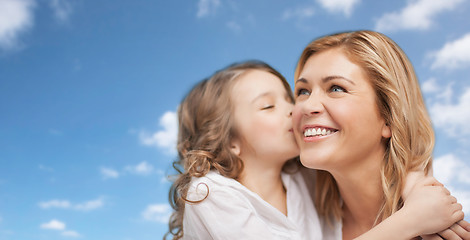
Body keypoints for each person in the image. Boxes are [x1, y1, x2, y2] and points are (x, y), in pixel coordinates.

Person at [165, 60, 465, 240]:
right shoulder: (210, 193)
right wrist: (410, 220)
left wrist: (413, 187)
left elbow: (377, 160)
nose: (296, 110)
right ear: (229, 139)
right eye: (269, 106)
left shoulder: (303, 178)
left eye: (290, 98)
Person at [292, 30, 469, 240]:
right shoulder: (296, 212)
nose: (308, 106)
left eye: (336, 88)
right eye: (303, 91)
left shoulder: (440, 230)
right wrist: (409, 220)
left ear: (389, 117)